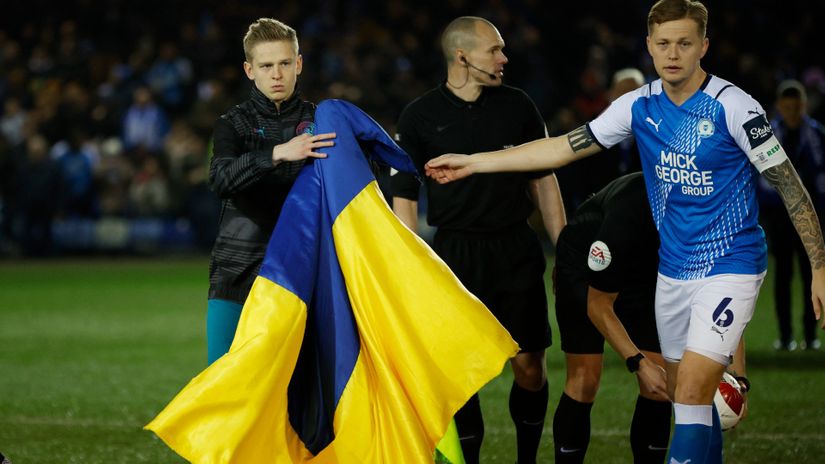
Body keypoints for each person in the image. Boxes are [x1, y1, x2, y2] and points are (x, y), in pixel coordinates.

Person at [424, 1, 825, 462]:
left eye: (684, 43)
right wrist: (473, 162)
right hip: (672, 271)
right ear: (649, 46)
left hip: (730, 264)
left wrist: (819, 266)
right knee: (689, 404)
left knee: (690, 391)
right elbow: (560, 149)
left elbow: (789, 185)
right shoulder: (638, 106)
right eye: (663, 43)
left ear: (703, 47)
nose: (672, 53)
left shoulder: (734, 107)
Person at [391, 16, 566, 464]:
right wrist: (415, 266)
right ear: (462, 55)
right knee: (459, 373)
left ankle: (526, 459)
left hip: (515, 248)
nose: (504, 57)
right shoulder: (419, 115)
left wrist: (563, 247)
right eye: (495, 49)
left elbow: (544, 181)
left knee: (529, 366)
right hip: (455, 255)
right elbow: (404, 197)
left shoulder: (518, 105)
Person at [206, 18, 336, 364]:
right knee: (224, 377)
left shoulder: (323, 123)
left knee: (299, 385)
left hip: (304, 272)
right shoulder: (232, 124)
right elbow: (220, 179)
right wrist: (277, 154)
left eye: (284, 63)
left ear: (299, 64)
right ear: (249, 70)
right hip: (237, 271)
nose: (276, 74)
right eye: (266, 66)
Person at [552, 172, 671, 463]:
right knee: (585, 379)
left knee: (659, 386)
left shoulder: (706, 207)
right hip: (584, 266)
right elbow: (598, 305)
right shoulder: (628, 213)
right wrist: (637, 362)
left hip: (644, 271)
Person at [759, 79, 825, 351]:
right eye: (787, 108)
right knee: (783, 276)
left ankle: (810, 335)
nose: (792, 113)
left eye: (796, 108)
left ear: (804, 106)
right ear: (779, 106)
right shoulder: (768, 134)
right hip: (779, 217)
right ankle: (786, 336)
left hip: (812, 215)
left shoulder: (818, 134)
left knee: (812, 275)